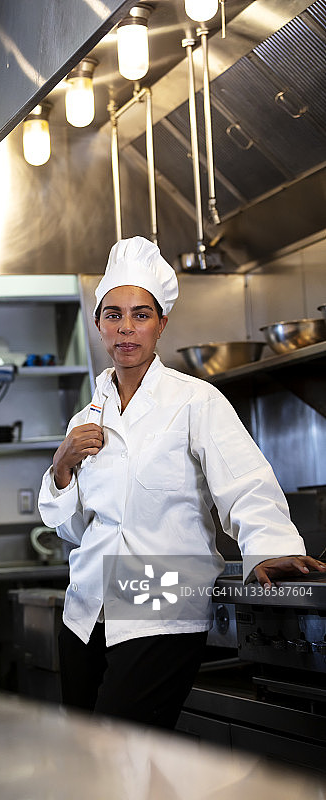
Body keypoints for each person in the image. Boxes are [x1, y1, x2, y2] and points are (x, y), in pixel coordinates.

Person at [38, 236, 326, 730]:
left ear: (161, 324)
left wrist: (270, 543)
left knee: (120, 747)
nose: (126, 327)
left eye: (141, 314)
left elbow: (244, 480)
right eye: (114, 314)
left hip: (161, 593)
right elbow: (72, 528)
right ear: (99, 324)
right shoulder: (85, 416)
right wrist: (62, 467)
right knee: (86, 759)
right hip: (86, 604)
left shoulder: (196, 400)